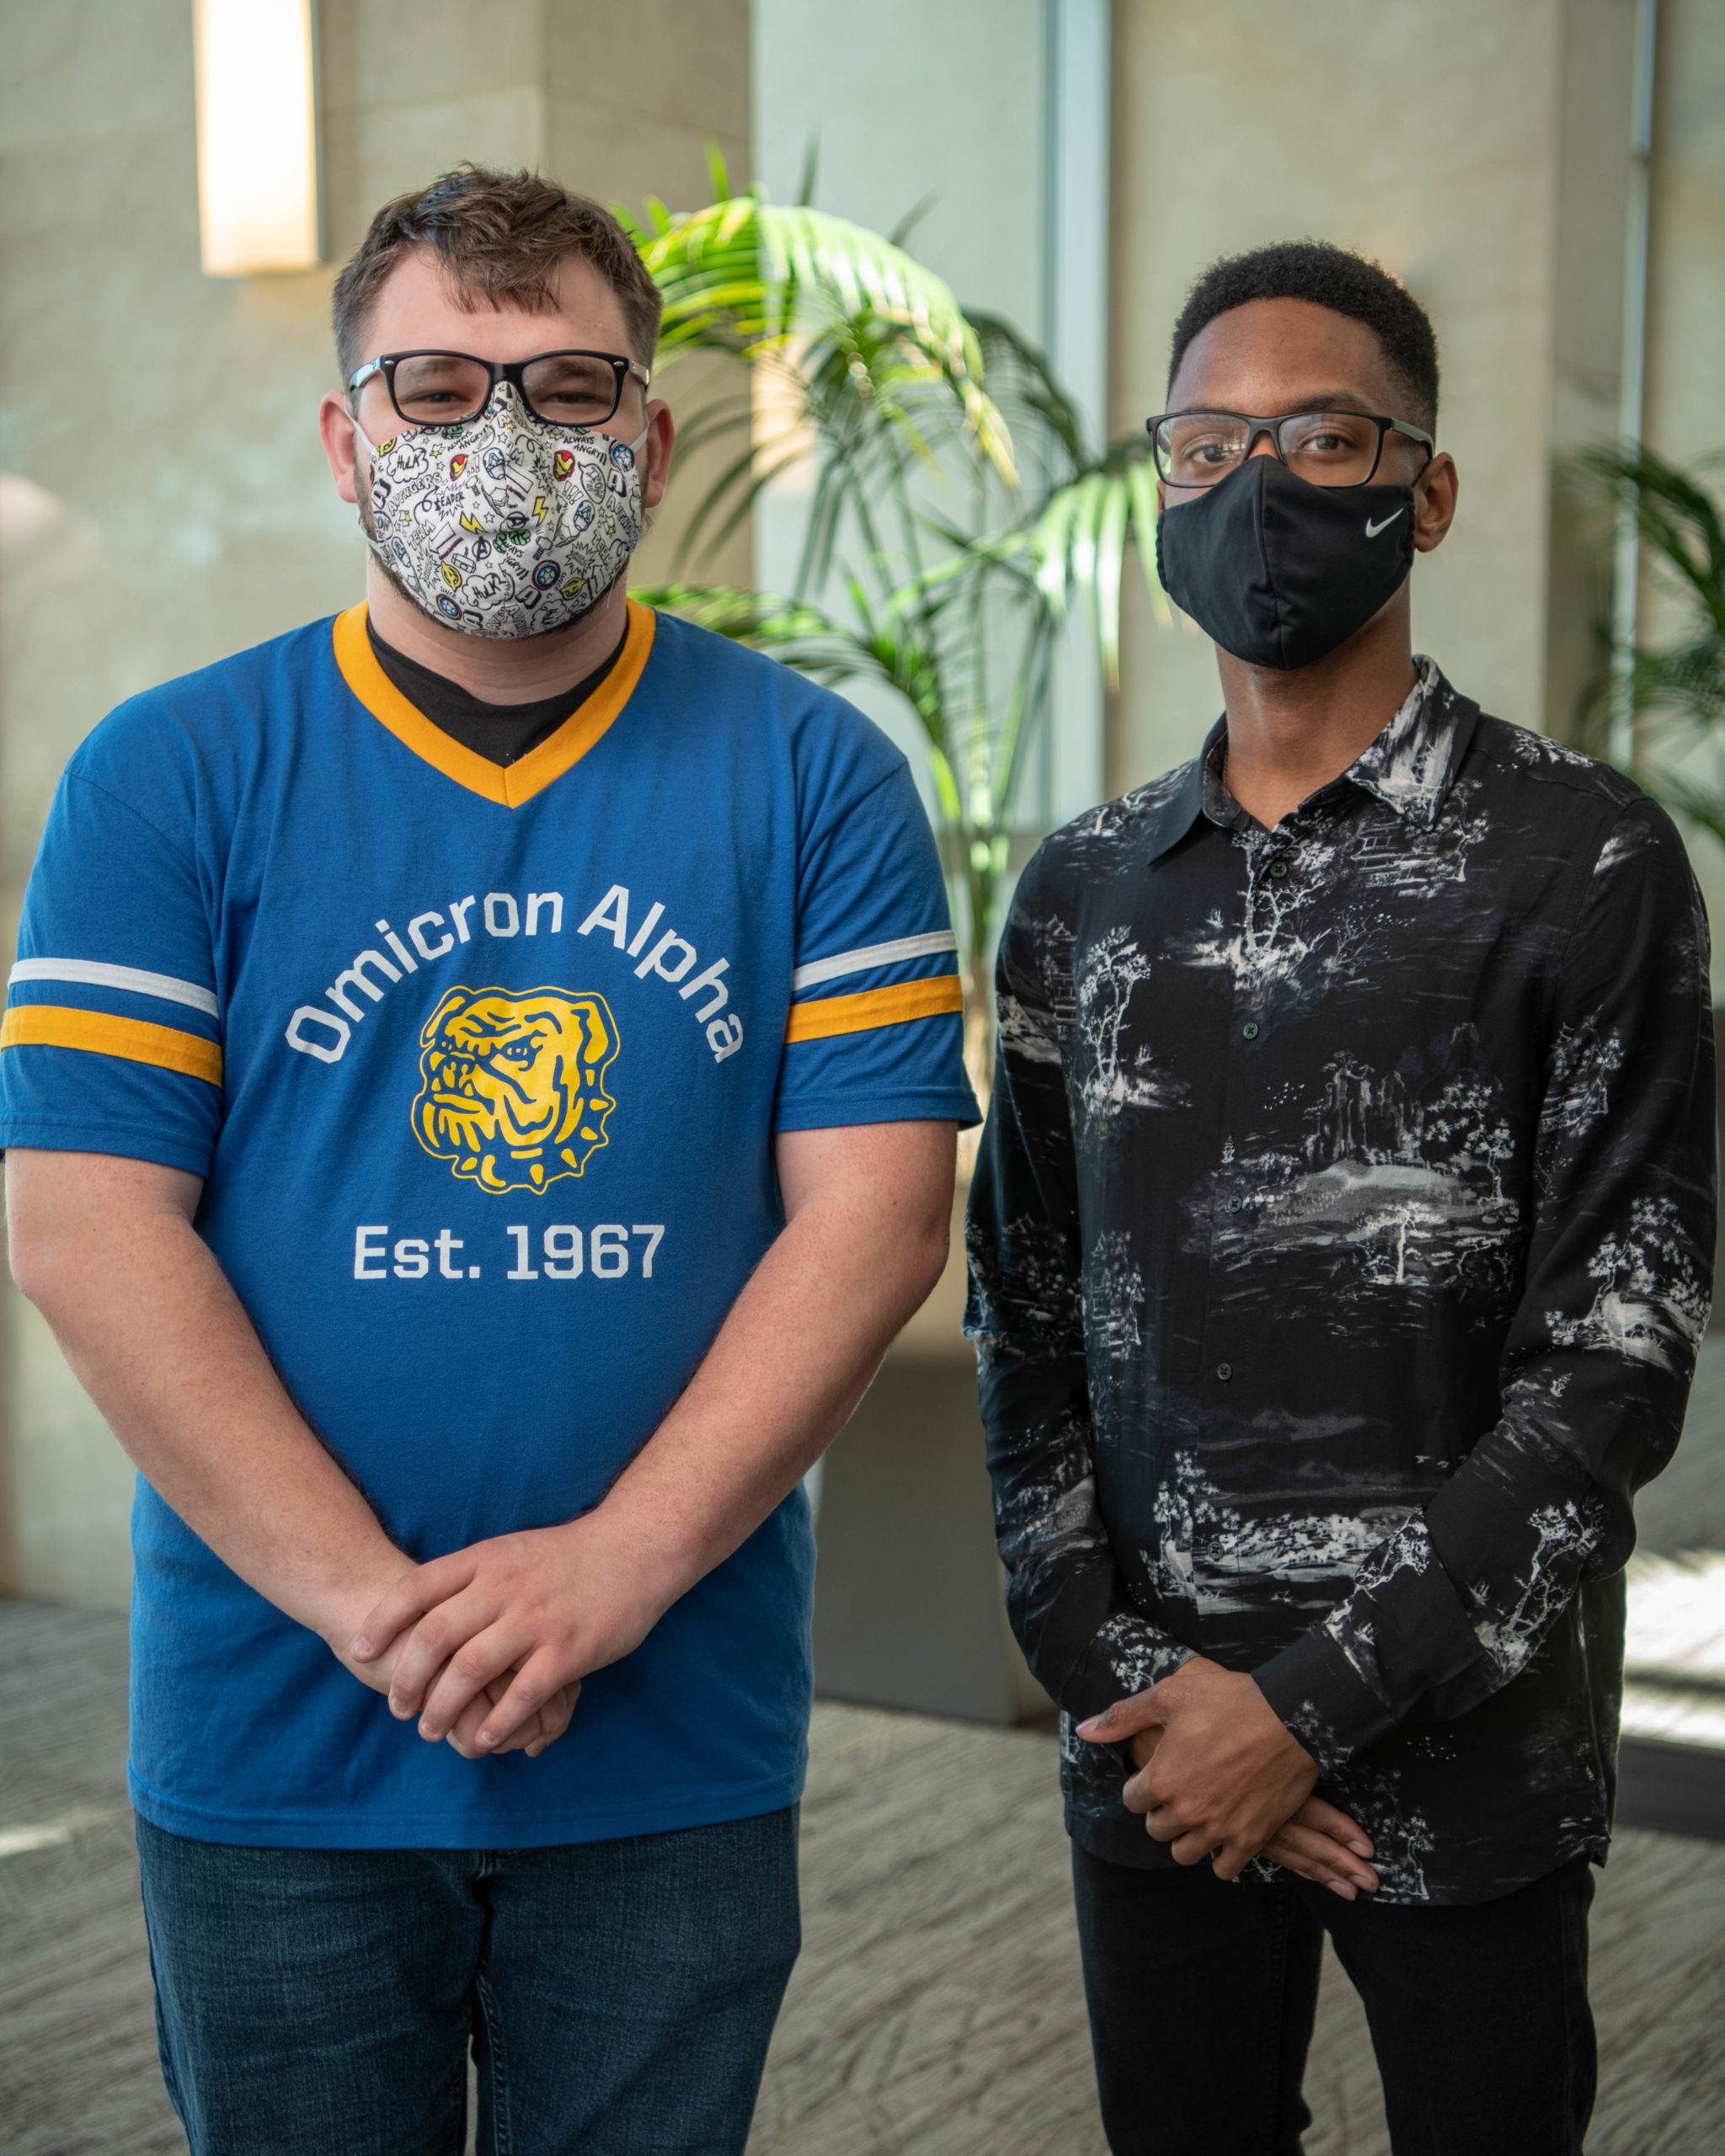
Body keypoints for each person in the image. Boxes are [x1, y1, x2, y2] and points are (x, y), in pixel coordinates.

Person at [2, 165, 977, 2156]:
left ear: (653, 432)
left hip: (675, 1722)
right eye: (437, 389)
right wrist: (371, 1604)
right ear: (347, 435)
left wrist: (615, 1567)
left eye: (567, 385)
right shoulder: (168, 772)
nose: (505, 437)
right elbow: (89, 1223)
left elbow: (875, 1210)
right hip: (279, 1724)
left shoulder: (813, 774)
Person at [965, 240, 1715, 2156]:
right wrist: (1140, 1687)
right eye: (1205, 444)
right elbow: (1023, 1315)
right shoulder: (1084, 889)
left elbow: (1612, 1364)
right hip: (1154, 1759)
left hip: (1461, 1754)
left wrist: (1301, 1702)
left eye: (1320, 436)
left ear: (1423, 488)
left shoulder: (1582, 862)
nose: (1258, 489)